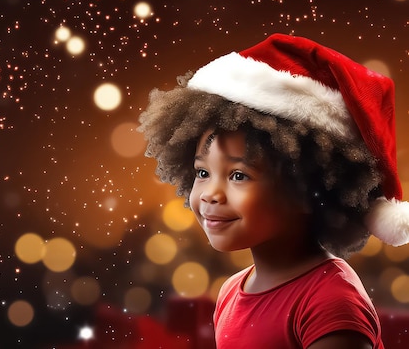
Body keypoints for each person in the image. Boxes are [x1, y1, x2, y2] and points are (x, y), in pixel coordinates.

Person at [138, 33, 409, 348]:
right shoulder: (230, 291)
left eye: (238, 175)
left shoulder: (330, 303)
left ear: (309, 186)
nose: (211, 193)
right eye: (203, 172)